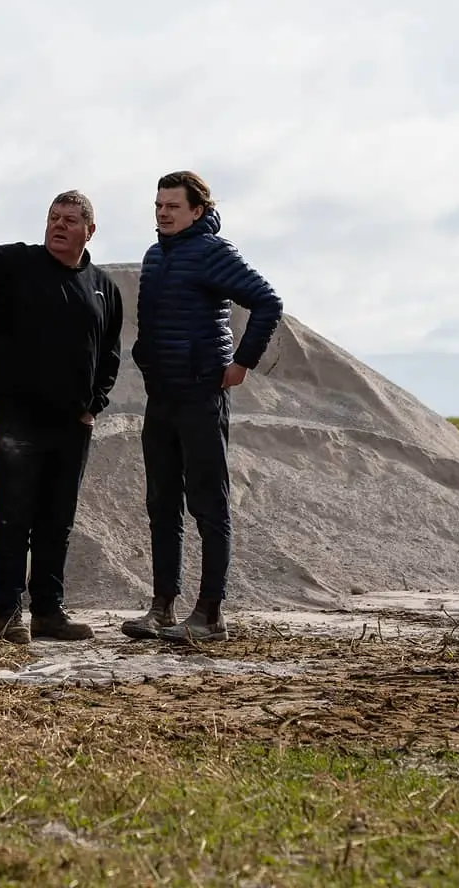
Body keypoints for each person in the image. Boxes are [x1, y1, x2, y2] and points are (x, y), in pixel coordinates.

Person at [0, 191, 124, 645]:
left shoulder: (103, 288)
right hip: (19, 421)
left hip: (73, 424)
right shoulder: (21, 265)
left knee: (57, 520)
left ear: (89, 231)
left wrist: (94, 406)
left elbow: (110, 353)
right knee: (14, 519)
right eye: (53, 217)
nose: (59, 225)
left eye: (70, 220)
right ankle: (8, 614)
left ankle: (49, 612)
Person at [123, 171, 283, 644]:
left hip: (201, 395)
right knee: (161, 504)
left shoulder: (214, 252)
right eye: (158, 205)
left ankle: (210, 614)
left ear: (197, 210)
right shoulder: (155, 256)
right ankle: (162, 608)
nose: (163, 213)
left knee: (208, 506)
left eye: (172, 206)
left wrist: (242, 362)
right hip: (162, 397)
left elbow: (267, 302)